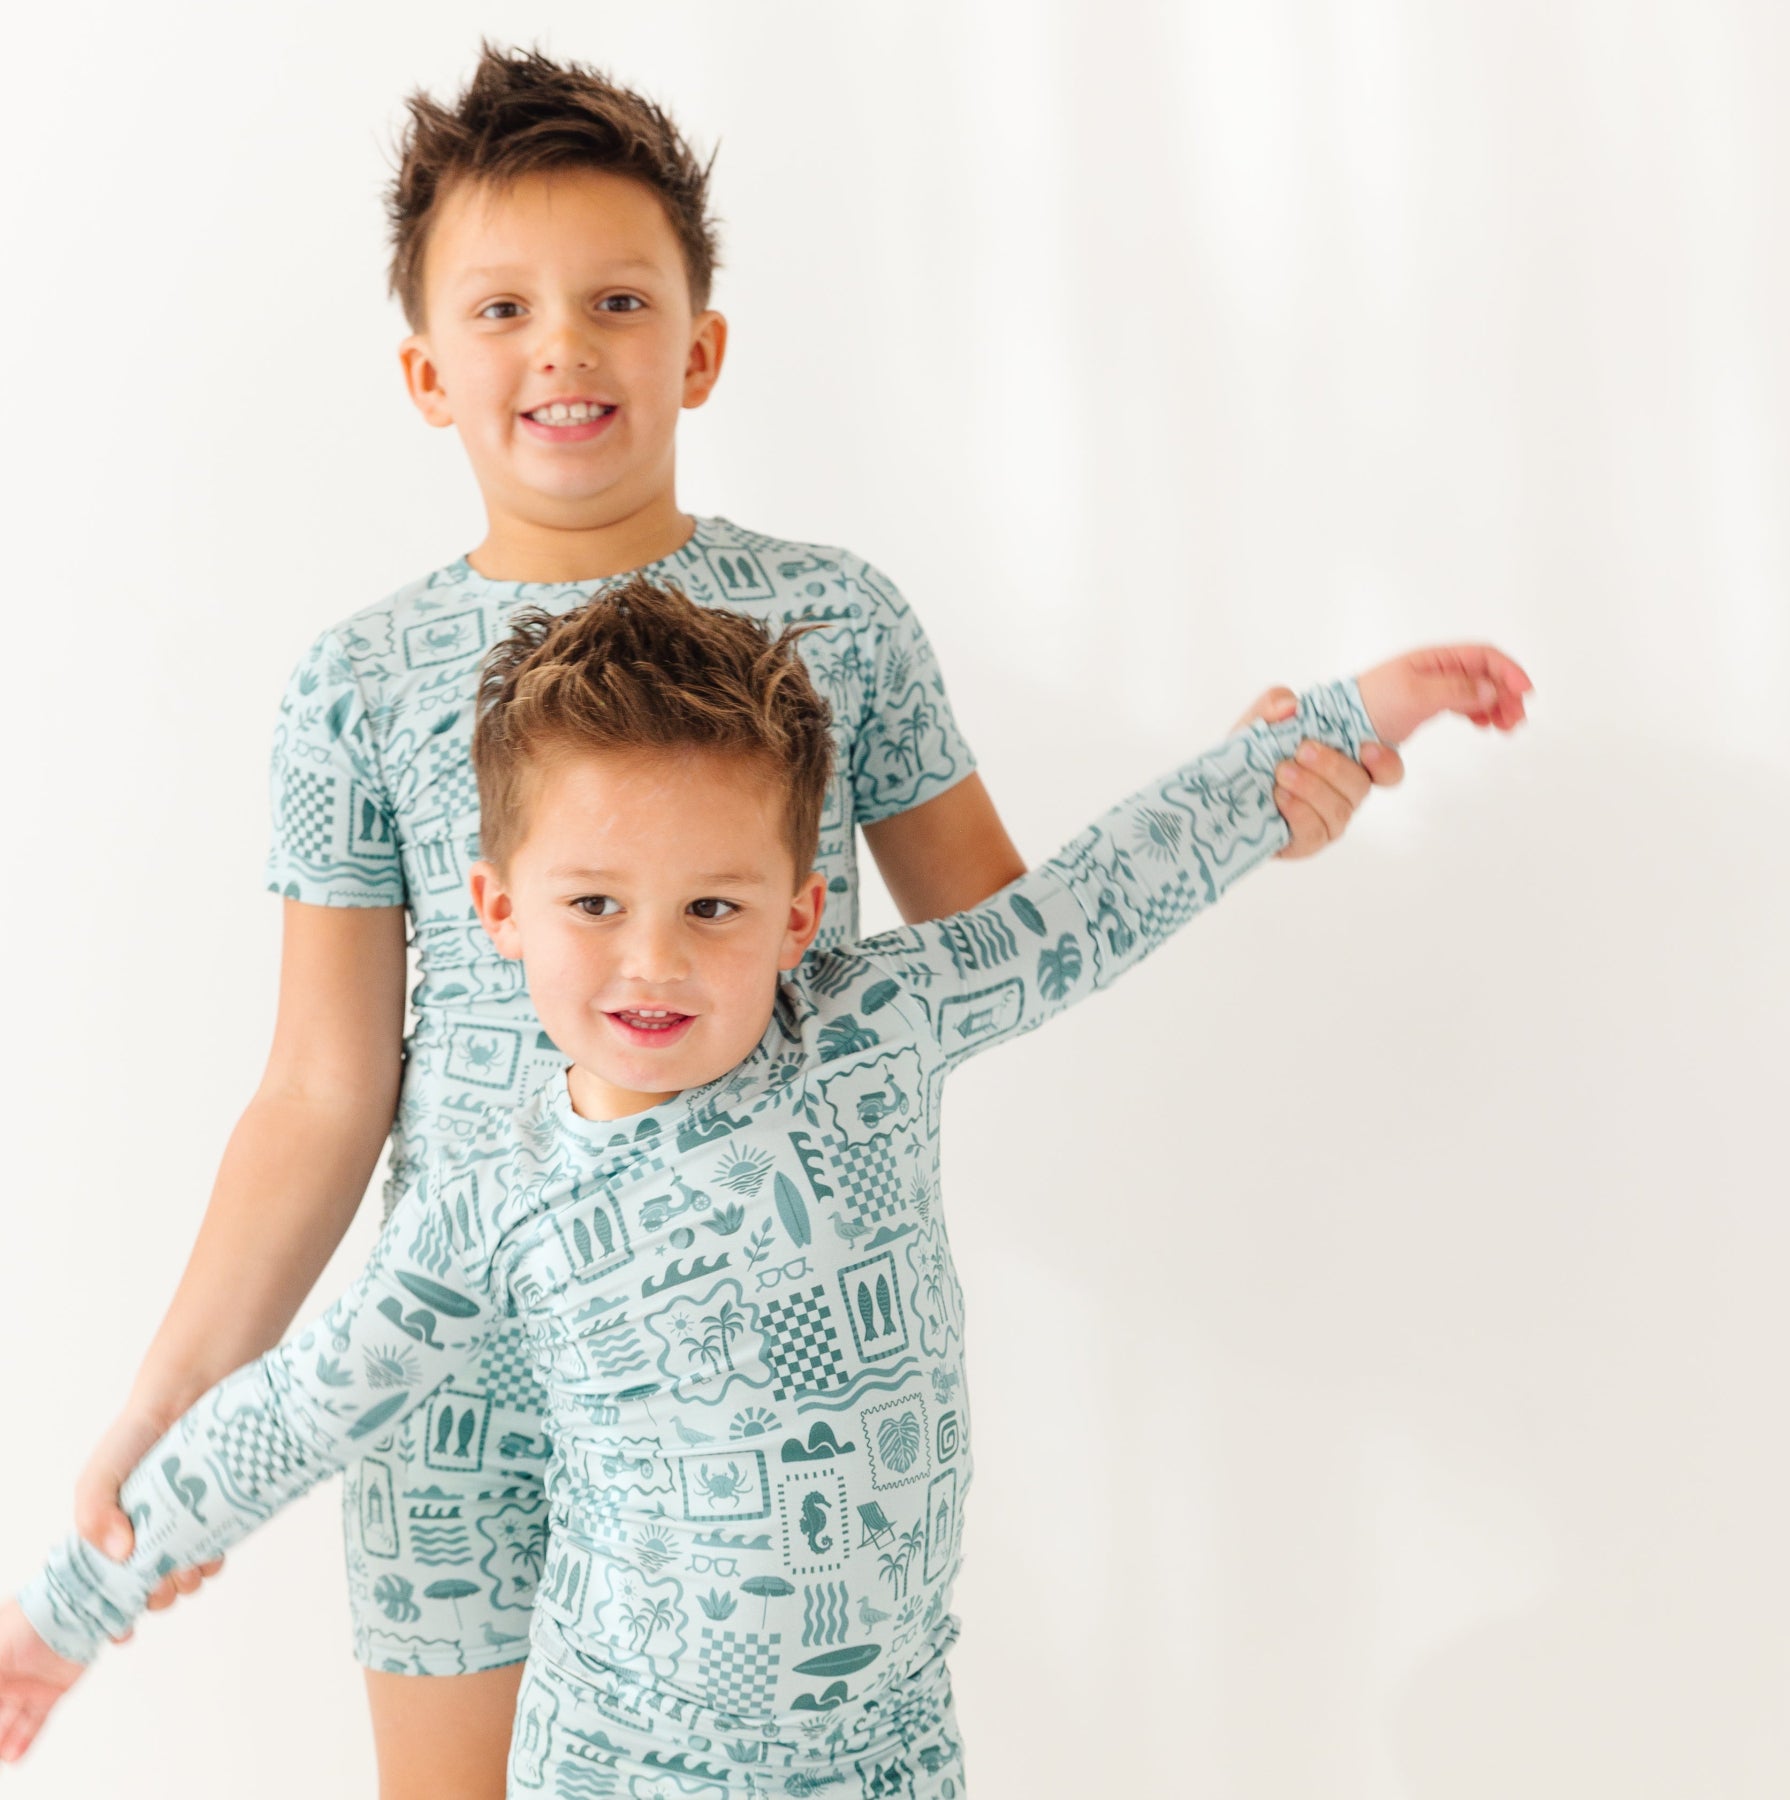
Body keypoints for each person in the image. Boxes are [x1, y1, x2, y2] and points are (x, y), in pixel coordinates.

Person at [51, 40, 1399, 1800]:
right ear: (426, 369)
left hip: (746, 1387)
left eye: (617, 299)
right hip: (456, 1378)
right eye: (504, 308)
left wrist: (1239, 806)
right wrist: (172, 1402)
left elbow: (1001, 935)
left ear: (698, 346)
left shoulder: (838, 621)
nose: (563, 346)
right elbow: (321, 1085)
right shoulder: (355, 685)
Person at [1, 579, 1530, 1790]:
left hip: (889, 1746)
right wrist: (62, 1614)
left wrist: (1332, 727)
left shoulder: (877, 1021)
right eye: (594, 903)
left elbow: (1084, 908)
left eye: (714, 908)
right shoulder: (492, 1207)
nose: (653, 960)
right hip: (622, 1763)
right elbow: (294, 1413)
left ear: (801, 913)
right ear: (499, 911)